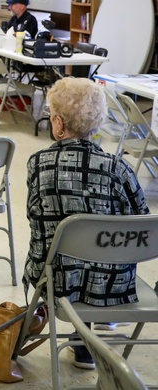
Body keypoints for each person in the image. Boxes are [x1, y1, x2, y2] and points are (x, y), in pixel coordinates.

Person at [23, 77, 149, 370]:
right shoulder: (118, 168)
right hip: (113, 285)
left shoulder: (38, 163)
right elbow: (142, 224)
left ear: (58, 123)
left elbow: (36, 219)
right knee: (101, 246)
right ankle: (95, 328)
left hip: (55, 282)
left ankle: (83, 342)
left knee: (67, 247)